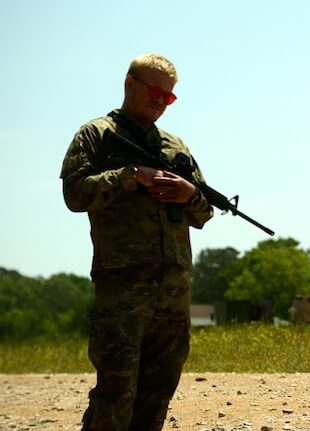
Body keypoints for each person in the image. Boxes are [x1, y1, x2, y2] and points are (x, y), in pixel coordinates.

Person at [60, 53, 214, 431]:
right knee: (116, 390)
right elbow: (75, 194)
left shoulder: (175, 146)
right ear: (129, 84)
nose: (160, 101)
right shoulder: (96, 135)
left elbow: (204, 212)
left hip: (173, 287)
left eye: (168, 97)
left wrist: (189, 195)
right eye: (154, 92)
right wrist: (130, 176)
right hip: (122, 283)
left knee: (159, 389)